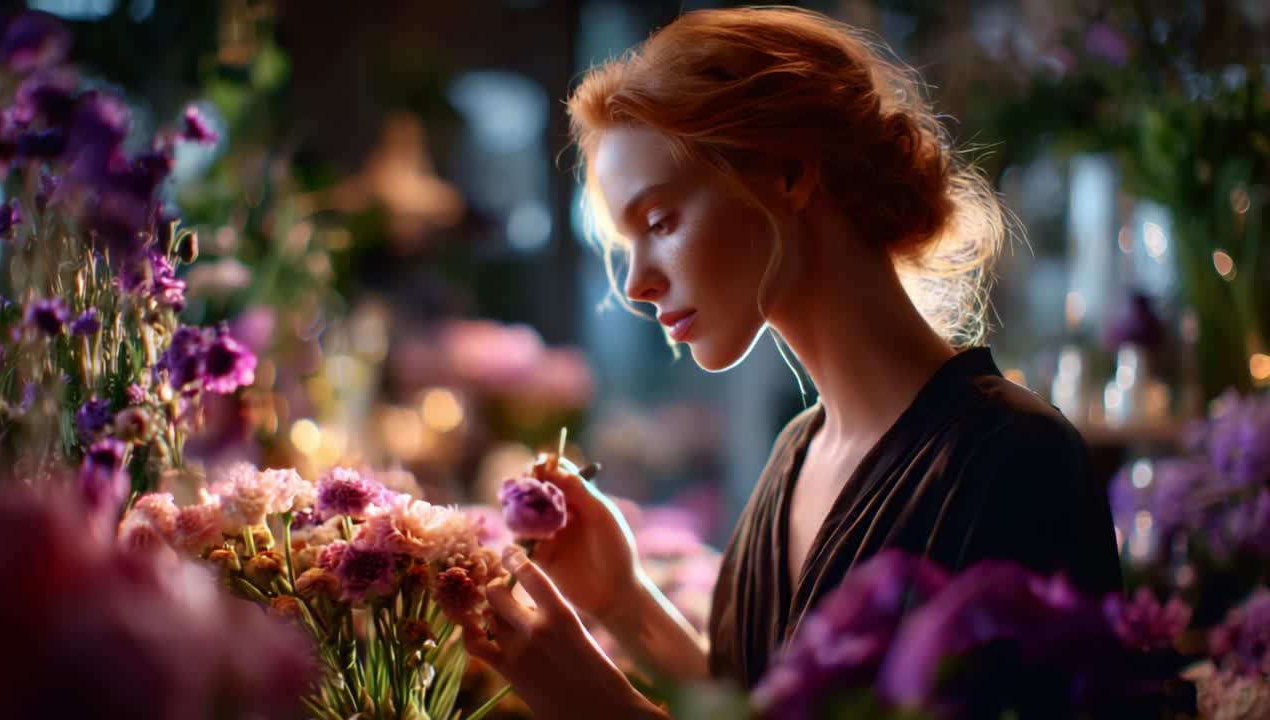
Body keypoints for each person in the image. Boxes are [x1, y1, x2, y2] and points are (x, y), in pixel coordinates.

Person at [459, 7, 1123, 719]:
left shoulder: (1015, 462)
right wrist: (627, 604)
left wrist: (607, 710)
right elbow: (757, 706)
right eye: (626, 246)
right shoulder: (793, 461)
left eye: (659, 223)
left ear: (790, 174)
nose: (635, 285)